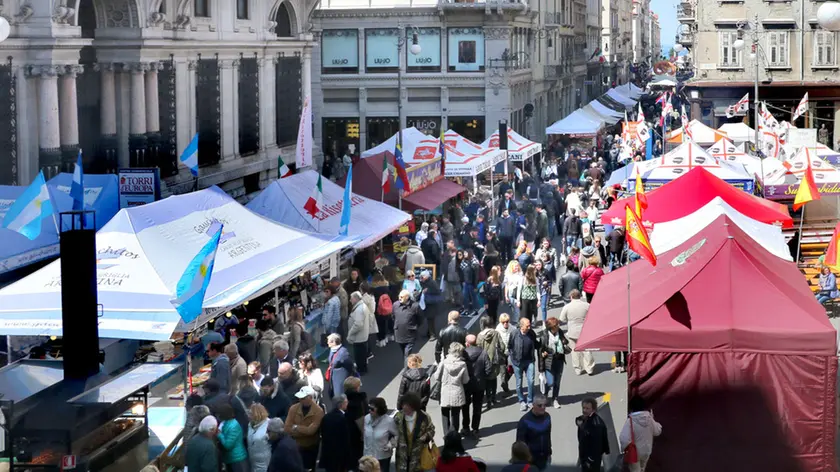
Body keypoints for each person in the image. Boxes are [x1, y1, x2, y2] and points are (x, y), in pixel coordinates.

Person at [285, 386, 325, 470]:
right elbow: (287, 428)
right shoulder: (293, 408)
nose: (300, 400)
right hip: (296, 446)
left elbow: (311, 431)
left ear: (310, 398)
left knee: (309, 469)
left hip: (310, 448)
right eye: (300, 398)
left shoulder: (318, 411)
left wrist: (296, 427)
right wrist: (304, 430)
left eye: (303, 398)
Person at [394, 392, 435, 472]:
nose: (404, 407)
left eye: (407, 405)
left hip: (418, 456)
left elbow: (431, 430)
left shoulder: (424, 417)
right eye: (403, 405)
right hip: (402, 458)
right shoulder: (398, 417)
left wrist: (426, 436)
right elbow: (392, 432)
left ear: (413, 406)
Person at [619, 396, 662, 472]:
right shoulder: (650, 419)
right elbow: (657, 431)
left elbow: (623, 438)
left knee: (635, 470)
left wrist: (624, 448)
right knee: (642, 469)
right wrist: (652, 418)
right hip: (646, 451)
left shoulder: (630, 421)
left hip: (634, 452)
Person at [463, 334, 492, 438]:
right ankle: (475, 428)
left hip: (466, 384)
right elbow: (488, 369)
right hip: (479, 384)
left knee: (465, 406)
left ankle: (465, 427)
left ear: (467, 343)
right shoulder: (483, 353)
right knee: (477, 407)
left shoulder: (463, 354)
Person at [438, 341, 470, 435]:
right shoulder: (463, 364)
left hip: (445, 391)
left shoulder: (444, 362)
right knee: (455, 414)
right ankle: (454, 434)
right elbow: (465, 380)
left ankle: (446, 435)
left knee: (445, 413)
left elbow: (437, 377)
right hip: (457, 391)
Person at [560, 289, 595, 376]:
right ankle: (589, 368)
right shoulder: (587, 305)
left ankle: (578, 369)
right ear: (580, 296)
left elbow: (562, 319)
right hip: (584, 331)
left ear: (571, 297)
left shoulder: (567, 307)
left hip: (572, 331)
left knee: (574, 351)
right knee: (586, 350)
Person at [516, 394, 552, 471]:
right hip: (530, 461)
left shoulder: (547, 417)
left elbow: (548, 436)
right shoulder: (525, 421)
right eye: (540, 405)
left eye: (545, 405)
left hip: (545, 458)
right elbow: (520, 444)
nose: (543, 408)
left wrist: (549, 451)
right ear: (533, 405)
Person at [508, 317, 537, 411]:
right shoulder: (514, 334)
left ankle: (530, 400)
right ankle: (521, 401)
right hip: (517, 362)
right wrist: (513, 358)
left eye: (529, 325)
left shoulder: (531, 333)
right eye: (527, 325)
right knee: (518, 383)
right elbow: (510, 346)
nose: (529, 327)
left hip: (529, 361)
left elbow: (536, 344)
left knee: (531, 381)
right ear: (521, 326)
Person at [319, 394, 353, 472]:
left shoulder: (326, 417)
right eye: (346, 402)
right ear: (341, 404)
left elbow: (323, 433)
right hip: (340, 456)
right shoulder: (343, 418)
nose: (347, 403)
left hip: (328, 453)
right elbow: (346, 439)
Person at [363, 397, 398, 472]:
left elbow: (397, 435)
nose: (369, 411)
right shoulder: (366, 418)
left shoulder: (389, 421)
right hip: (368, 457)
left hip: (382, 458)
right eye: (369, 408)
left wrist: (391, 444)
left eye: (372, 409)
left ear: (380, 409)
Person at [539, 317, 568, 408]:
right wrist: (541, 367)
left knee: (557, 381)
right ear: (551, 327)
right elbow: (540, 350)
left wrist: (564, 342)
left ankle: (555, 399)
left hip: (559, 359)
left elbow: (564, 340)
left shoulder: (560, 332)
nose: (558, 327)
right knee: (550, 381)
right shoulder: (544, 335)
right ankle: (545, 395)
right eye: (556, 326)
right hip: (549, 360)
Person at [576, 397, 610, 472]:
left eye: (587, 408)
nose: (584, 410)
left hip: (591, 460)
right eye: (583, 408)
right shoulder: (586, 418)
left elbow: (597, 445)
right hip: (585, 456)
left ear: (593, 409)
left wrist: (590, 460)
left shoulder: (596, 425)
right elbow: (579, 419)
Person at [476, 315, 503, 407]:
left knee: (486, 381)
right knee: (494, 379)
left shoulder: (479, 336)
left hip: (484, 361)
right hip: (495, 360)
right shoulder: (496, 333)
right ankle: (494, 398)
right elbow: (502, 346)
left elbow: (478, 349)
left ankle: (488, 399)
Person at [216, 402, 249, 472]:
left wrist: (219, 435)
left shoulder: (234, 426)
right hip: (230, 459)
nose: (217, 416)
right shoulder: (225, 423)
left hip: (237, 460)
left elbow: (228, 445)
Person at [344, 376, 368, 466]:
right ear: (357, 387)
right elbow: (363, 415)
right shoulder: (361, 400)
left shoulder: (342, 399)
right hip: (358, 432)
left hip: (346, 431)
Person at [393, 290, 420, 362]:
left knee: (407, 354)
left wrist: (414, 326)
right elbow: (393, 316)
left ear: (407, 297)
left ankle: (406, 371)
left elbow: (420, 318)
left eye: (401, 297)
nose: (399, 298)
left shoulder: (415, 306)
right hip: (399, 333)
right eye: (399, 296)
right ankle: (408, 365)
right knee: (404, 353)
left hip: (410, 334)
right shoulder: (395, 305)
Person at [348, 291, 371, 375]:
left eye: (351, 298)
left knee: (359, 355)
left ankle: (361, 370)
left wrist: (350, 333)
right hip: (362, 335)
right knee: (362, 354)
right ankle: (363, 368)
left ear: (355, 299)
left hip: (359, 337)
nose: (350, 300)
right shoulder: (362, 306)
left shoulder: (359, 309)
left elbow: (358, 324)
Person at [418, 270, 442, 339]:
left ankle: (432, 335)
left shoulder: (432, 282)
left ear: (426, 276)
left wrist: (427, 291)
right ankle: (429, 332)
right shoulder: (424, 282)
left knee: (430, 319)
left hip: (432, 304)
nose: (421, 279)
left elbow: (437, 291)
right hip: (427, 303)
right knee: (429, 319)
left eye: (422, 277)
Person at [248, 404, 272, 472]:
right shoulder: (250, 425)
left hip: (265, 462)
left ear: (257, 414)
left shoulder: (269, 424)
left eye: (250, 414)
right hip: (253, 462)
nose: (248, 416)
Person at [495, 313, 515, 395]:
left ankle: (505, 380)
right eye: (503, 322)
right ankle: (505, 387)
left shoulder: (513, 329)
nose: (506, 323)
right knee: (503, 371)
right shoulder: (497, 331)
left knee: (511, 370)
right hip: (501, 354)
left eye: (507, 321)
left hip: (510, 353)